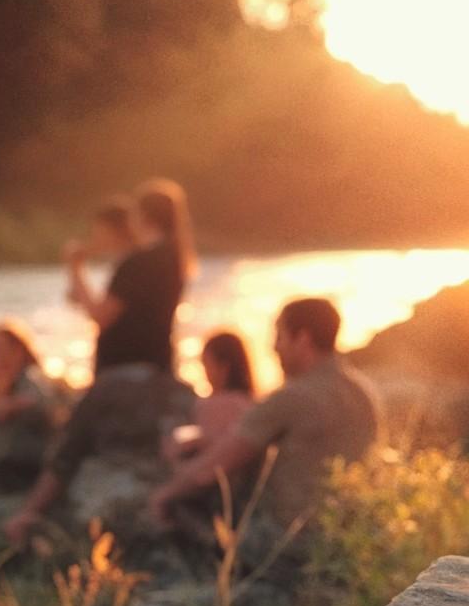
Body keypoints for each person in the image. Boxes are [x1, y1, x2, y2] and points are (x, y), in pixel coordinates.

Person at [149, 297, 383, 531]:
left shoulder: (292, 398)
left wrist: (162, 495)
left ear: (302, 339)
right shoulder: (363, 394)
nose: (274, 348)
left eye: (279, 336)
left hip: (287, 538)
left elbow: (209, 471)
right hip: (349, 532)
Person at [66, 180, 194, 377]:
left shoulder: (139, 263)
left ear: (143, 216)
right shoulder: (173, 259)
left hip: (125, 372)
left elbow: (101, 316)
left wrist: (75, 269)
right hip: (158, 366)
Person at [0, 320, 60, 494]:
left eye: (4, 350)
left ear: (20, 352)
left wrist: (8, 402)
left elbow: (40, 401)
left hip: (25, 482)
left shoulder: (32, 380)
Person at [164, 330, 256, 463]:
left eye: (207, 365)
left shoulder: (214, 404)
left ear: (224, 368)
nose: (205, 373)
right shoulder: (250, 403)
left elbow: (210, 453)